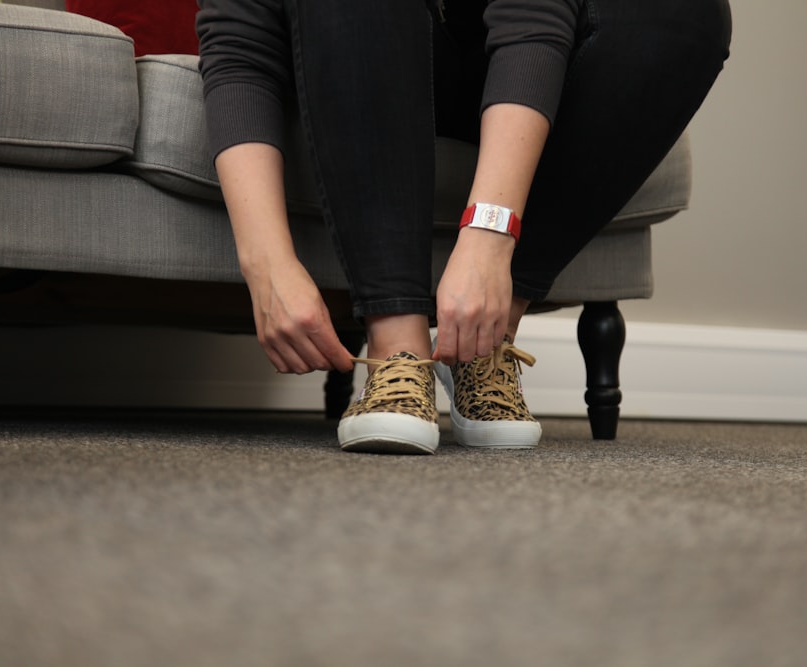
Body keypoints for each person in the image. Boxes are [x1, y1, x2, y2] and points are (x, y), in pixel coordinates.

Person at [196, 0, 732, 455]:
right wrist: (266, 266)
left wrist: (489, 240)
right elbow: (239, 41)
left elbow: (534, 12)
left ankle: (482, 342)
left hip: (524, 57)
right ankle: (397, 352)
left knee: (686, 10)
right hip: (352, 48)